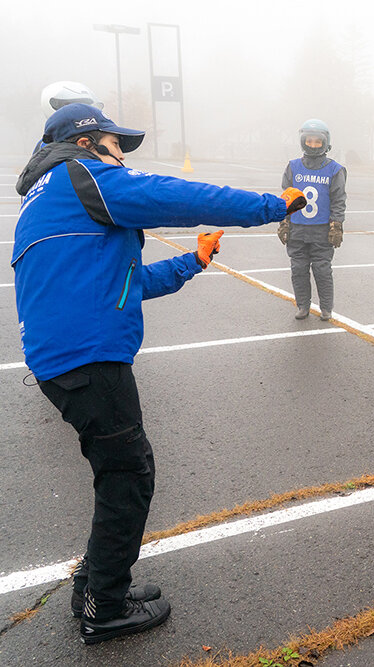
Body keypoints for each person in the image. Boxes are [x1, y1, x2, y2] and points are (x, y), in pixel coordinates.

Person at [14, 104, 303, 643]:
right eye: (115, 143)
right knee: (129, 475)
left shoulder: (53, 193)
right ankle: (106, 606)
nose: (122, 155)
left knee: (118, 472)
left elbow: (123, 285)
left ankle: (97, 589)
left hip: (68, 357)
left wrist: (193, 262)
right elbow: (175, 195)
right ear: (86, 143)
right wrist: (268, 206)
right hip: (88, 357)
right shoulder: (83, 176)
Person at [277, 119, 347, 321]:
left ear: (325, 143)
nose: (313, 145)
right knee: (298, 269)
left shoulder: (334, 170)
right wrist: (284, 222)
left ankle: (326, 308)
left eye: (318, 142)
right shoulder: (293, 167)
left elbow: (338, 200)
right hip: (298, 228)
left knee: (322, 270)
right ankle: (302, 306)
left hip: (321, 230)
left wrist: (336, 225)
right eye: (309, 141)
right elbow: (286, 198)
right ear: (303, 141)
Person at [35, 81, 101, 150]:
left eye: (86, 105)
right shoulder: (48, 145)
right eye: (72, 106)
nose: (81, 111)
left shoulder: (95, 137)